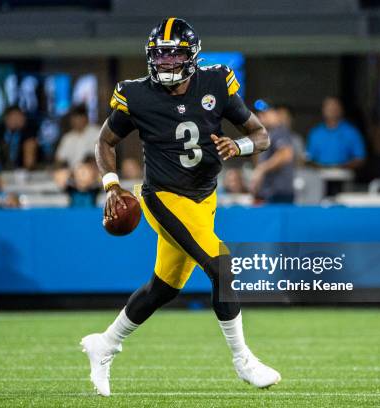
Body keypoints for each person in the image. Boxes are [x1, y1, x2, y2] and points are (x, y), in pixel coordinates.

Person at [81, 17, 280, 397]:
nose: (167, 63)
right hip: (162, 196)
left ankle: (104, 344)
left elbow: (262, 135)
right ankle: (243, 359)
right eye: (160, 56)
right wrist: (111, 185)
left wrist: (239, 147)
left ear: (192, 57)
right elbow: (104, 142)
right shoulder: (135, 94)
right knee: (221, 264)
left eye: (175, 56)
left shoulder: (216, 82)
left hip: (204, 197)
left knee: (164, 288)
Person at [250, 101, 295, 203]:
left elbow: (286, 154)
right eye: (259, 114)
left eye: (265, 113)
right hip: (267, 192)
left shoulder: (280, 131)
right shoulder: (266, 133)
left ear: (276, 114)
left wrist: (262, 169)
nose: (261, 117)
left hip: (280, 193)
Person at [306, 96, 366, 168]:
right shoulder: (315, 132)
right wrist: (319, 166)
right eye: (328, 107)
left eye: (335, 107)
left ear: (341, 110)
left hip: (344, 174)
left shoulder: (351, 132)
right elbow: (308, 158)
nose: (332, 110)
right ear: (323, 110)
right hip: (319, 173)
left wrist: (342, 166)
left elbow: (360, 158)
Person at [0, 106, 37, 170]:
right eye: (14, 117)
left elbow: (29, 159)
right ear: (6, 118)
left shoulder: (29, 133)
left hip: (21, 170)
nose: (17, 120)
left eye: (20, 117)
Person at [55, 104, 100, 169]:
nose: (77, 120)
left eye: (80, 117)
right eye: (74, 117)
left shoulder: (97, 132)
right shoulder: (67, 138)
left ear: (86, 117)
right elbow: (59, 160)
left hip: (93, 173)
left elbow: (102, 158)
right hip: (71, 175)